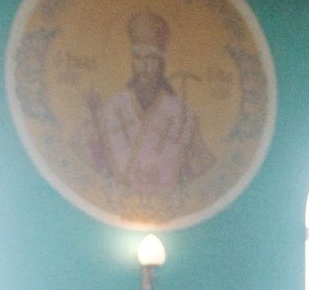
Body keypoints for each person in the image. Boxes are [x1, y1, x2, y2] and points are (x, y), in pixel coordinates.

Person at [84, 10, 214, 192]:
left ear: (162, 64)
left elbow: (199, 169)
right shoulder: (113, 107)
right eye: (138, 58)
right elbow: (93, 160)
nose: (143, 67)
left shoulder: (182, 115)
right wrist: (94, 118)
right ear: (132, 62)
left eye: (151, 59)